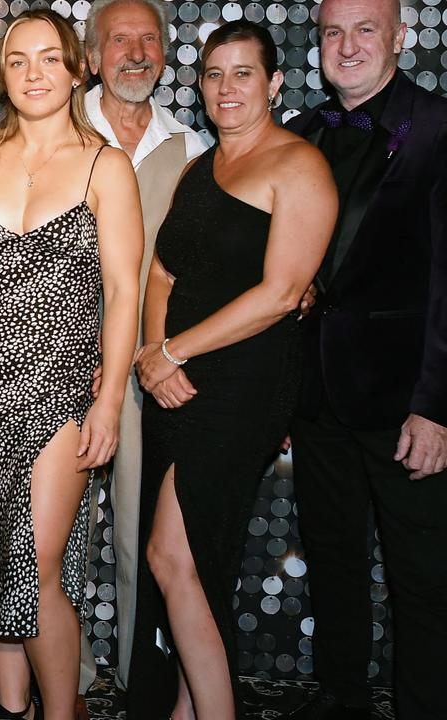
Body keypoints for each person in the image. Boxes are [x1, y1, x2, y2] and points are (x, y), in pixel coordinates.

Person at [0, 10, 142, 720]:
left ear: (78, 70)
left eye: (50, 59)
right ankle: (12, 709)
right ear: (3, 74)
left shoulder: (107, 166)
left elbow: (125, 289)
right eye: (19, 61)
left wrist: (108, 404)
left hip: (59, 390)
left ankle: (62, 712)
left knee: (35, 566)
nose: (35, 73)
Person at [126, 20, 337, 720]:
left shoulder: (298, 166)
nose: (226, 88)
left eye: (243, 73)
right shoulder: (198, 167)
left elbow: (280, 295)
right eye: (214, 74)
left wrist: (173, 353)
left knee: (172, 556)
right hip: (174, 385)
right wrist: (155, 358)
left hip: (242, 387)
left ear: (274, 83)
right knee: (195, 564)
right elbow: (160, 272)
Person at [282, 0, 447, 717]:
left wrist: (435, 407)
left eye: (366, 29)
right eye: (332, 31)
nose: (347, 46)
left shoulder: (439, 129)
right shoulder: (302, 134)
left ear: (401, 38)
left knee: (422, 575)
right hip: (317, 397)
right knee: (333, 560)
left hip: (404, 399)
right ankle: (341, 696)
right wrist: (284, 394)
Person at [81, 0, 209, 695]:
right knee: (60, 533)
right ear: (92, 56)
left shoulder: (189, 148)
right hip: (61, 363)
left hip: (148, 368)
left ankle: (141, 684)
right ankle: (61, 676)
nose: (136, 51)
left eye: (149, 39)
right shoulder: (57, 131)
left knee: (138, 533)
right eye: (119, 39)